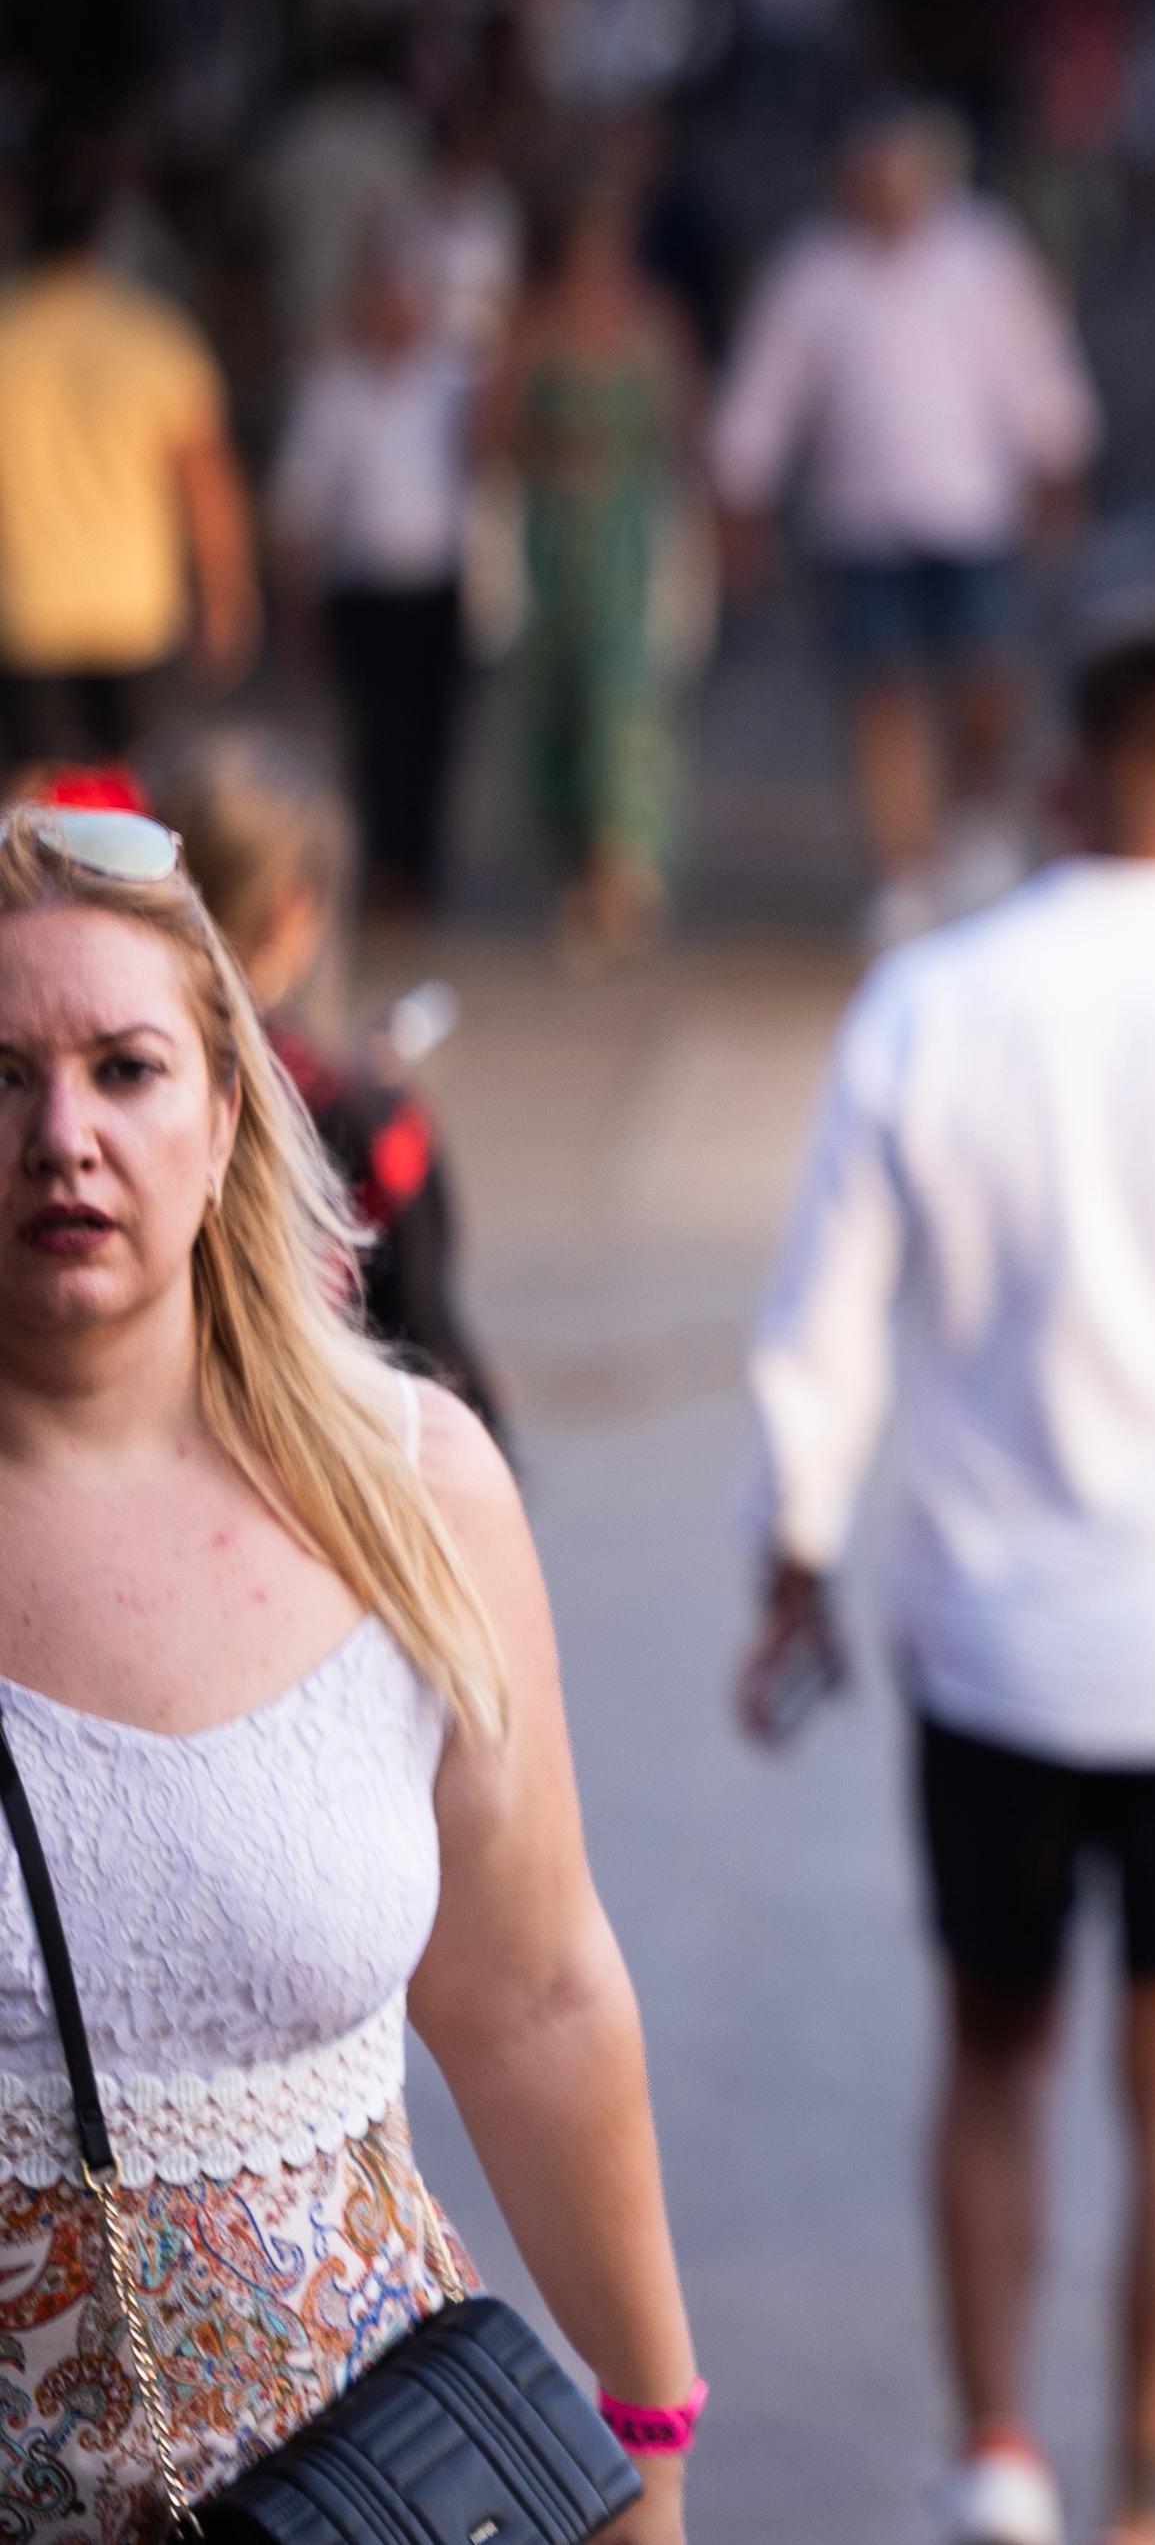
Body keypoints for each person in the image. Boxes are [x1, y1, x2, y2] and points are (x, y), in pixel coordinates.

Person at [0, 793, 698, 2534]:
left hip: (369, 2494)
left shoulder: (410, 1482)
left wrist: (648, 2435)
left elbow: (537, 1998)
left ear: (228, 1110)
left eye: (126, 1069)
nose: (63, 1135)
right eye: (0, 1075)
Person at [734, 627, 1155, 2545]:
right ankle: (1152, 2500)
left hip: (991, 1635)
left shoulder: (932, 999)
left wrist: (793, 1555)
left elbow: (822, 1319)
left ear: (1061, 787)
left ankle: (997, 2450)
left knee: (993, 2045)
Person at [706, 98, 1099, 951]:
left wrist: (1057, 464)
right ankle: (905, 873)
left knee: (988, 681)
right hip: (861, 521)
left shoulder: (984, 253)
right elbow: (764, 393)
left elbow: (1036, 368)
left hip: (974, 512)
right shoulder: (812, 270)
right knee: (881, 696)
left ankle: (979, 830)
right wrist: (740, 498)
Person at [143, 728, 506, 1442]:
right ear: (293, 909)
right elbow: (431, 1365)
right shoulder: (367, 1124)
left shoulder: (87, 1094)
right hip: (313, 1463)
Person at [486, 180, 700, 963]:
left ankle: (625, 867)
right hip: (551, 540)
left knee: (626, 700)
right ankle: (576, 861)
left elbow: (687, 433)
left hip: (629, 541)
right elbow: (493, 432)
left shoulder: (655, 326)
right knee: (556, 702)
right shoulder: (535, 330)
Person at [0, 156, 256, 772]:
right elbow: (206, 482)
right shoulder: (155, 336)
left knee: (31, 802)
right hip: (134, 611)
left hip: (27, 610)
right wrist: (227, 597)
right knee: (128, 793)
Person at [267, 249, 480, 915]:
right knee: (376, 734)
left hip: (437, 587)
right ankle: (383, 864)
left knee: (432, 734)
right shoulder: (334, 387)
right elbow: (301, 500)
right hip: (363, 587)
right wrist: (300, 598)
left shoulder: (453, 382)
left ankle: (419, 865)